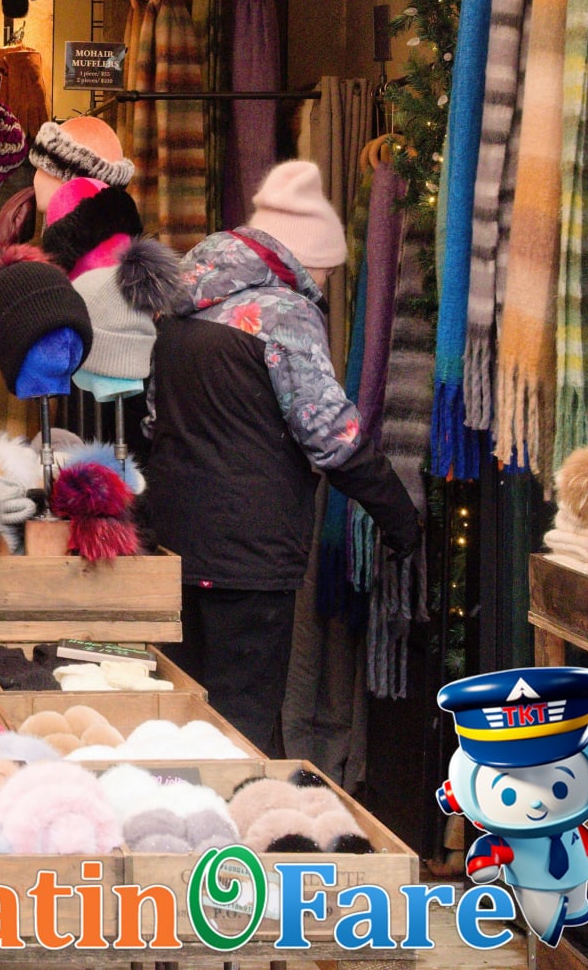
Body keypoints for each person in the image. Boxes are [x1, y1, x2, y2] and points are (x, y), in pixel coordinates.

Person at [145, 160, 420, 753]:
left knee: (178, 711)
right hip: (251, 551)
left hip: (171, 542)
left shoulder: (177, 306)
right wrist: (401, 519)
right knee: (241, 723)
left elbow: (152, 417)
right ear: (300, 258)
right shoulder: (284, 313)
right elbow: (330, 433)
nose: (320, 285)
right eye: (321, 271)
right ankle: (232, 845)